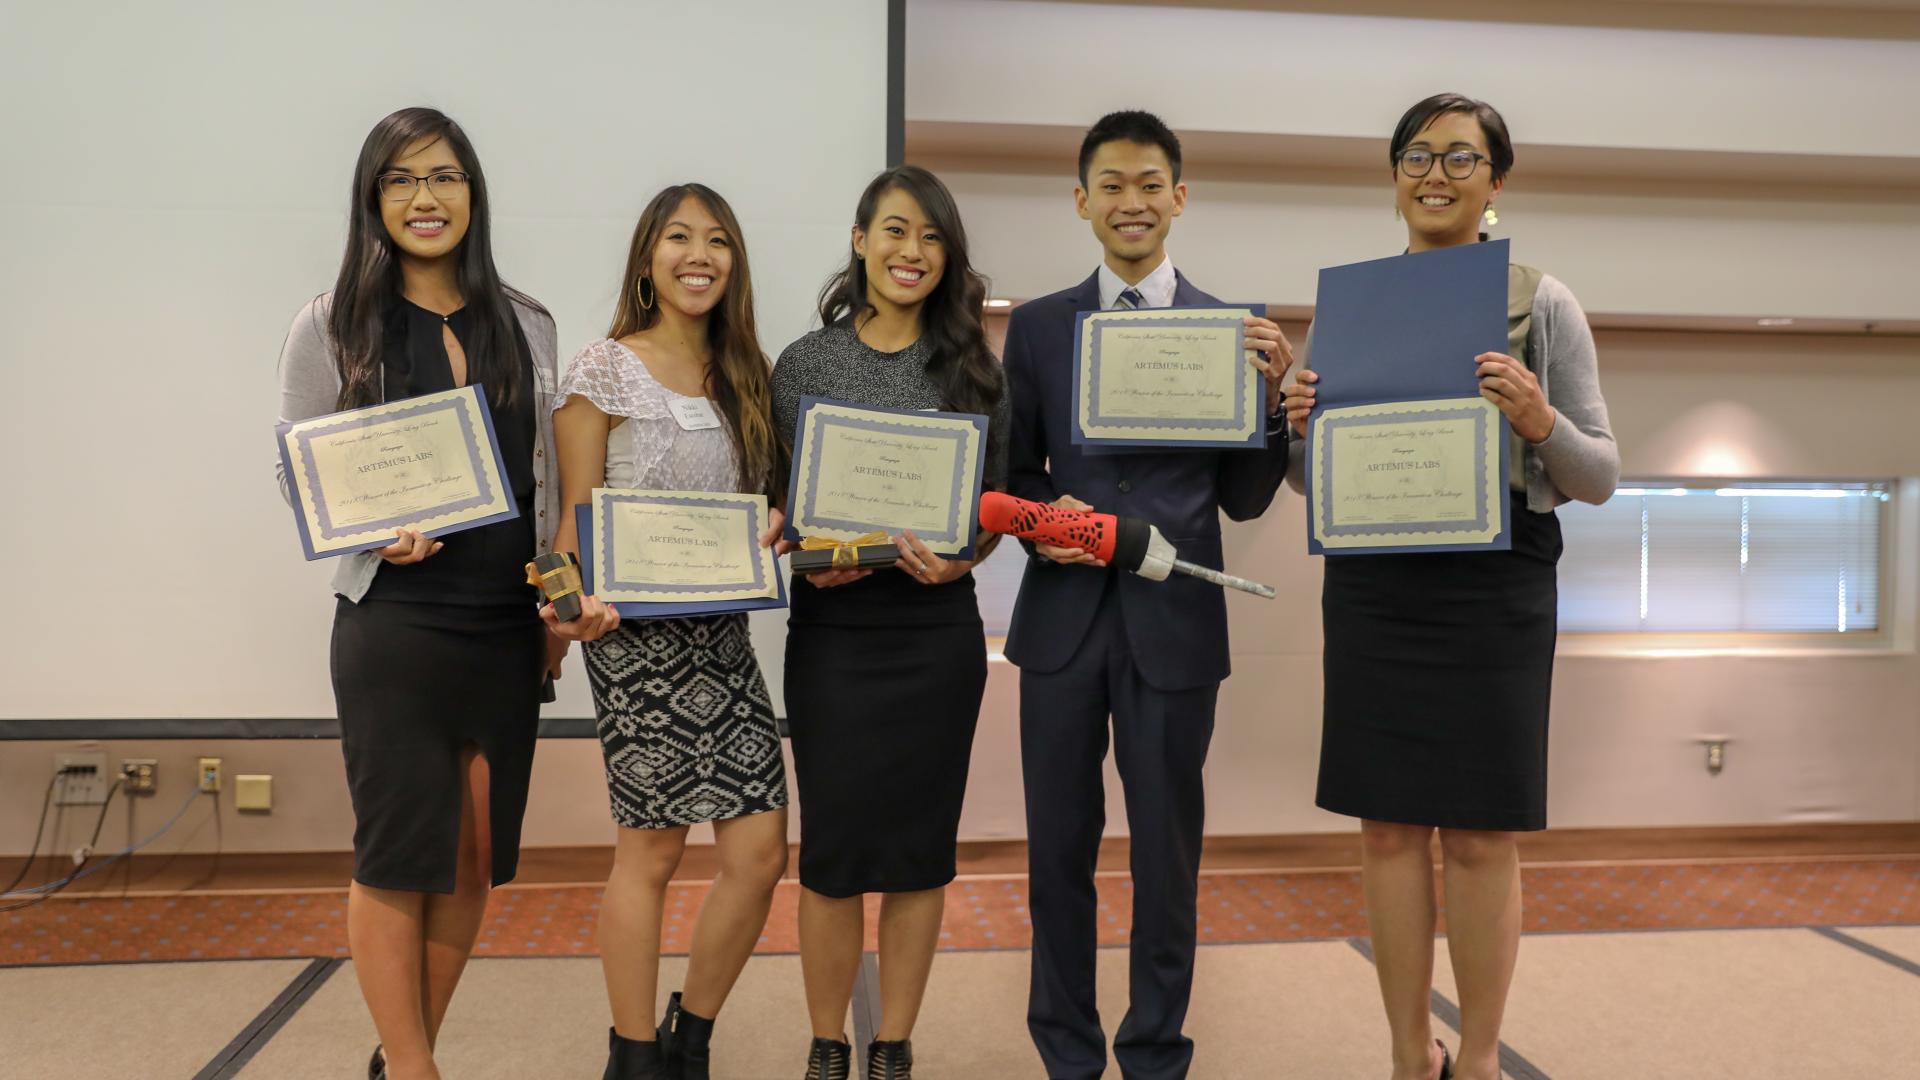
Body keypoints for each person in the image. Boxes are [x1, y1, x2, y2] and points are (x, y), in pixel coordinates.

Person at [1283, 93, 1619, 1080]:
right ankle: (1403, 1051)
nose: (1437, 174)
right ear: (1394, 176)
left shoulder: (1540, 298)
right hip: (1378, 585)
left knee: (1478, 834)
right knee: (1387, 826)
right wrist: (1297, 424)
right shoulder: (1352, 305)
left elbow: (1598, 474)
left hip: (1495, 586)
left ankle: (1475, 1058)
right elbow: (1310, 483)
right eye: (1419, 156)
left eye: (1462, 159)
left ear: (1495, 184)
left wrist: (1538, 420)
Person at [1001, 109, 1294, 1080]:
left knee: (1169, 855)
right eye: (1112, 184)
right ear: (1083, 200)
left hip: (1176, 625)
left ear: (1179, 196)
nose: (1132, 201)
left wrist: (1277, 407)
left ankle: (1157, 1050)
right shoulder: (1039, 326)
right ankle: (1069, 1054)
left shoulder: (1233, 329)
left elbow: (1244, 496)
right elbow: (1014, 476)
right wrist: (1073, 526)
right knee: (1058, 854)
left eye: (1150, 183)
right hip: (1062, 625)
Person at [273, 106, 561, 1080]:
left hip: (502, 623)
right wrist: (368, 534)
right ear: (373, 201)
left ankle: (402, 1058)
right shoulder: (330, 324)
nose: (424, 198)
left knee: (473, 859)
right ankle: (417, 1070)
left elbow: (544, 485)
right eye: (400, 180)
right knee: (399, 851)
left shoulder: (527, 322)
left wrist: (557, 605)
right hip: (394, 623)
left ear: (473, 193)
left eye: (443, 177)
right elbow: (297, 471)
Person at [544, 184, 792, 1080]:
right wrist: (570, 611)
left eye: (718, 240)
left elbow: (762, 510)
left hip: (722, 636)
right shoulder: (603, 368)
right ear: (648, 257)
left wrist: (773, 528)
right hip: (634, 640)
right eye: (680, 237)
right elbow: (571, 525)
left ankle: (692, 1033)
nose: (700, 255)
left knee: (761, 852)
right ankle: (634, 1051)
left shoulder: (748, 375)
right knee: (650, 849)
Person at [770, 165, 1010, 1080]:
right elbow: (776, 501)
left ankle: (894, 1044)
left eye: (934, 238)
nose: (914, 252)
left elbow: (995, 506)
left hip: (935, 636)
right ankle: (828, 1039)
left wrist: (963, 560)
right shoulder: (802, 363)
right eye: (898, 232)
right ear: (862, 240)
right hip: (834, 637)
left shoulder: (974, 367)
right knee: (831, 853)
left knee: (918, 854)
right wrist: (806, 554)